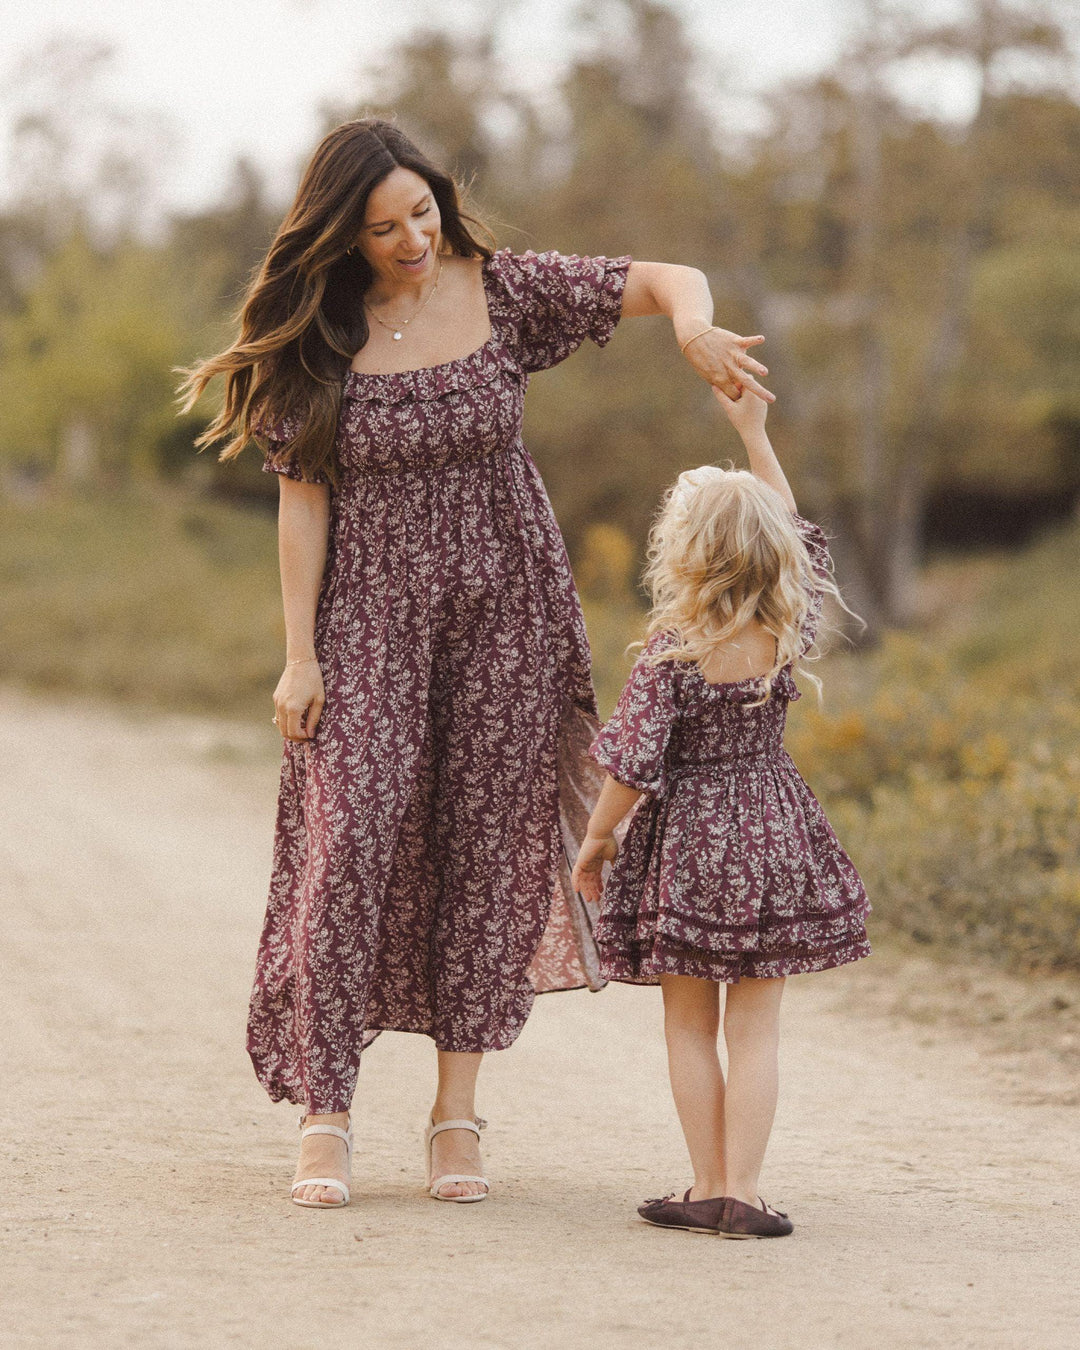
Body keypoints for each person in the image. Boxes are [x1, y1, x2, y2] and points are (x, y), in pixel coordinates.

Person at [178, 117, 773, 1210]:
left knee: (483, 847)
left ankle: (458, 1113)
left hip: (509, 614)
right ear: (338, 234)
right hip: (368, 621)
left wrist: (694, 328)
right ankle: (327, 1111)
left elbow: (669, 275)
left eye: (422, 212)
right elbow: (301, 504)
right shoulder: (316, 339)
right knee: (349, 843)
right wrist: (299, 656)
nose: (412, 238)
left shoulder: (507, 291)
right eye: (382, 226)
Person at [571, 384, 870, 1238]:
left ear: (684, 553)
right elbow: (796, 533)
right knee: (759, 1025)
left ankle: (704, 1184)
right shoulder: (789, 626)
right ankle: (745, 1192)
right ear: (775, 553)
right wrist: (754, 432)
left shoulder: (673, 653)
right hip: (773, 827)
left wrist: (596, 841)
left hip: (689, 845)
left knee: (688, 1022)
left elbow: (629, 765)